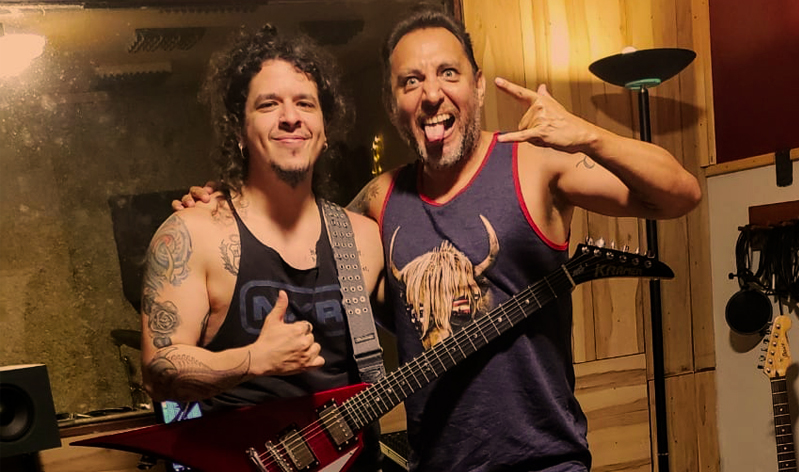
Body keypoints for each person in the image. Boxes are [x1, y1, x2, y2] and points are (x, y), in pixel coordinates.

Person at [178, 9, 702, 472]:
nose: (431, 94)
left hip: (546, 460)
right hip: (434, 462)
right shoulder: (380, 199)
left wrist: (588, 135)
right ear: (393, 103)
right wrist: (223, 205)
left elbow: (679, 195)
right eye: (411, 81)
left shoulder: (534, 165)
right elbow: (290, 232)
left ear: (477, 86)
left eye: (448, 73)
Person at [142, 24, 385, 470]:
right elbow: (160, 372)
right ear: (238, 129)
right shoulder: (193, 233)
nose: (290, 117)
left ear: (324, 129)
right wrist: (255, 359)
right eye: (268, 104)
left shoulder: (364, 237)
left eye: (305, 103)